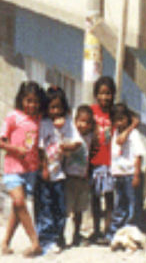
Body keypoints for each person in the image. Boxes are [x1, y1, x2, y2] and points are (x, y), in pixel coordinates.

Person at [88, 76, 139, 244]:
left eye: (108, 93)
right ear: (96, 95)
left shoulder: (116, 112)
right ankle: (96, 230)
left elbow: (136, 118)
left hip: (111, 163)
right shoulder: (92, 111)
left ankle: (108, 231)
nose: (105, 97)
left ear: (113, 94)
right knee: (95, 198)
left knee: (110, 199)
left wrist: (128, 129)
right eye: (101, 93)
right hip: (94, 161)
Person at [0, 81, 44, 257]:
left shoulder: (38, 119)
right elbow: (0, 141)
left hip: (30, 169)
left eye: (35, 101)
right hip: (12, 168)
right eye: (28, 100)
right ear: (21, 100)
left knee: (18, 209)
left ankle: (5, 242)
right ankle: (35, 242)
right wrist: (15, 149)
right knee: (19, 202)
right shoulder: (12, 117)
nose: (32, 105)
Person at [37, 86, 81, 254]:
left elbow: (77, 142)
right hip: (48, 172)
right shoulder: (44, 123)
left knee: (60, 208)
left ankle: (59, 236)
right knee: (46, 207)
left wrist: (67, 146)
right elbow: (40, 149)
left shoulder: (68, 122)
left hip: (61, 173)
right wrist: (45, 169)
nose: (55, 111)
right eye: (52, 107)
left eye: (59, 107)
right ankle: (47, 238)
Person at [108, 103, 145, 239]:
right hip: (119, 174)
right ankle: (115, 232)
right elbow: (119, 141)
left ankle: (132, 233)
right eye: (116, 120)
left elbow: (138, 155)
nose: (119, 123)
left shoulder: (133, 134)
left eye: (122, 119)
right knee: (120, 205)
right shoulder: (116, 133)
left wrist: (137, 175)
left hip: (130, 174)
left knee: (133, 206)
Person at [64, 105, 95, 247]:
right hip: (69, 177)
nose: (83, 125)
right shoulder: (71, 136)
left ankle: (76, 234)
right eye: (81, 121)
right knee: (66, 208)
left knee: (79, 209)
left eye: (87, 122)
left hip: (83, 178)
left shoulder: (89, 138)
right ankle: (60, 235)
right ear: (75, 121)